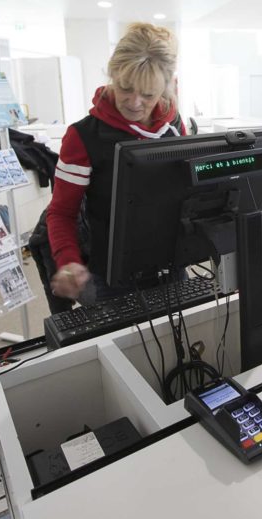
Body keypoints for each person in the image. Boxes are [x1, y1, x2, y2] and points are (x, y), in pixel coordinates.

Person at [46, 23, 186, 310]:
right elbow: (60, 212)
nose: (134, 103)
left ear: (166, 88)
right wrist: (68, 261)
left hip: (171, 267)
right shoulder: (83, 136)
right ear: (112, 76)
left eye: (148, 94)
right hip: (111, 280)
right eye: (125, 88)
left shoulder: (174, 125)